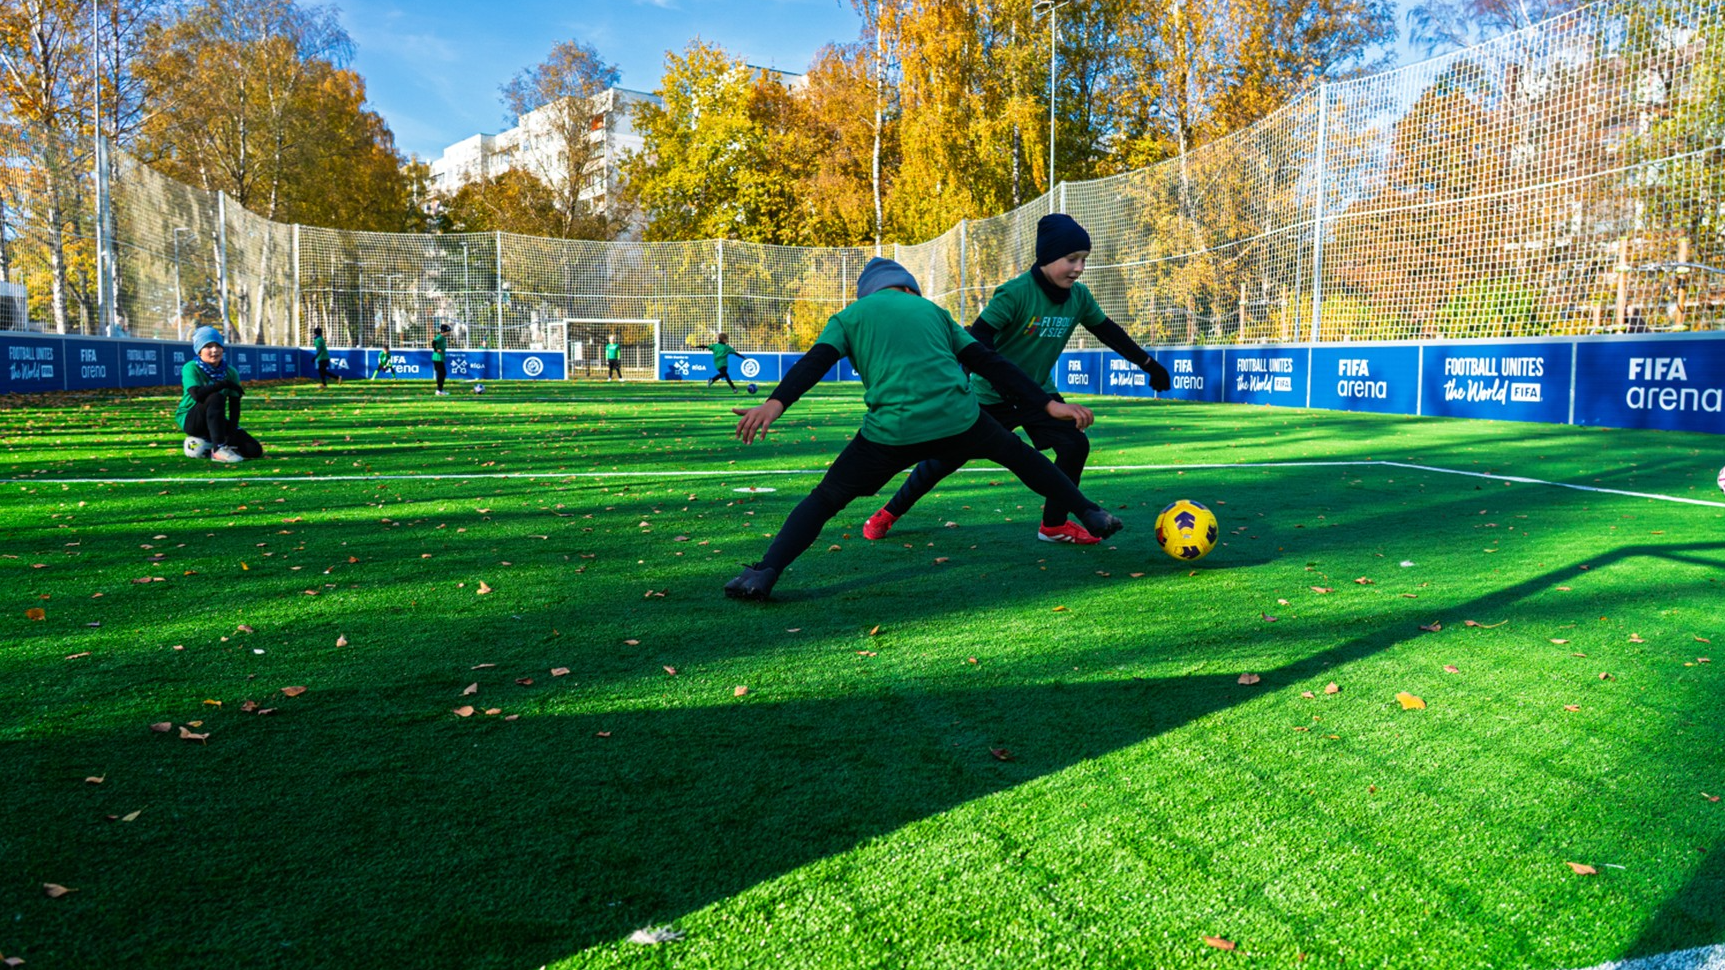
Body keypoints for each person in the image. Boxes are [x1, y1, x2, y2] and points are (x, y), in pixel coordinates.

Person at [723, 257, 1124, 601]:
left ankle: (765, 572)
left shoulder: (850, 316)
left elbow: (815, 361)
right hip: (960, 419)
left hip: (890, 432)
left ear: (869, 293)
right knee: (1021, 456)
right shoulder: (933, 311)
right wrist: (1048, 404)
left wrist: (775, 403)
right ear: (909, 289)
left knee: (826, 498)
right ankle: (1089, 511)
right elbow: (991, 362)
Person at [863, 213, 1173, 546]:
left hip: (1038, 393)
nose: (1079, 267)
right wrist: (997, 383)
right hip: (990, 395)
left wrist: (1149, 364)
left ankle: (1053, 525)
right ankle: (888, 513)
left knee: (1074, 445)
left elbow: (1109, 332)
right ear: (1048, 256)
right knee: (943, 461)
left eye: (1084, 259)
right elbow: (979, 337)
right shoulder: (1014, 293)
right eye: (1072, 259)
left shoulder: (1079, 297)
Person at [175, 326, 262, 464]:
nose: (214, 350)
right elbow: (197, 395)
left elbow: (234, 405)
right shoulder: (191, 367)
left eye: (218, 346)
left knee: (254, 450)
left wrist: (232, 433)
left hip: (215, 419)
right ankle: (218, 449)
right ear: (199, 350)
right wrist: (223, 384)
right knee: (215, 397)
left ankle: (206, 443)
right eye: (208, 346)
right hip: (191, 420)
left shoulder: (230, 371)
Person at [432, 324, 450, 395]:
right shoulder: (440, 337)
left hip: (440, 358)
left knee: (442, 373)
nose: (449, 333)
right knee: (441, 373)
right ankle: (439, 390)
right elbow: (434, 342)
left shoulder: (443, 338)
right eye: (448, 331)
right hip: (437, 358)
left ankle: (440, 389)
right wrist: (436, 350)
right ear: (444, 331)